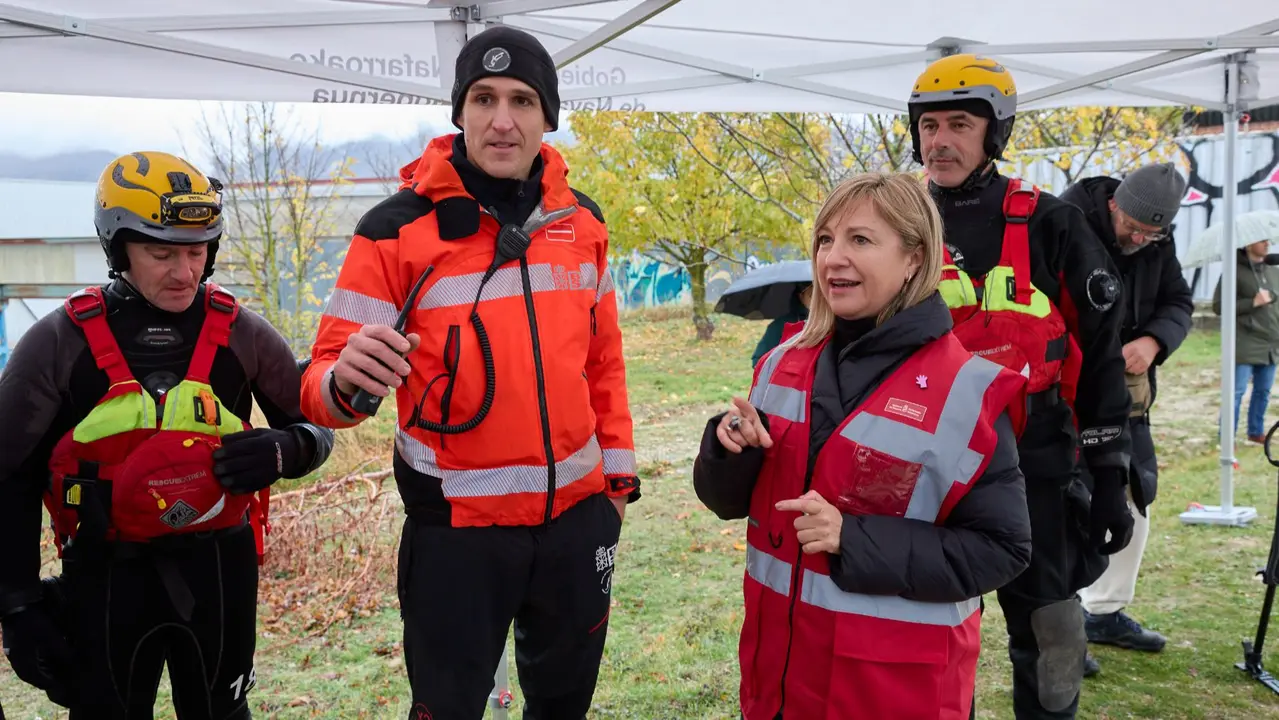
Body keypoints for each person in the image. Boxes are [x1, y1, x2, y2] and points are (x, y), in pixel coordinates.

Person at [299, 26, 640, 720]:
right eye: (483, 99)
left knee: (563, 706)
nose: (502, 120)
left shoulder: (582, 224)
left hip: (576, 526)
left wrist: (616, 488)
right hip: (456, 534)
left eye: (522, 100)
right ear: (459, 112)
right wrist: (338, 383)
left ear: (549, 117)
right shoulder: (392, 230)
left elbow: (604, 365)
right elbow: (322, 384)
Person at [0, 151, 335, 718]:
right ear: (118, 246)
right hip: (104, 574)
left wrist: (287, 449)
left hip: (219, 573)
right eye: (162, 253)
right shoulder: (58, 345)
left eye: (197, 251)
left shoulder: (245, 334)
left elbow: (317, 425)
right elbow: (9, 476)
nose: (185, 272)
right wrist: (17, 606)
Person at [694, 172, 1033, 720]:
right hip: (778, 682)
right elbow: (729, 502)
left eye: (860, 240)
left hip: (892, 693)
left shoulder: (964, 392)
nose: (833, 258)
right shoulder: (780, 363)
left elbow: (1003, 549)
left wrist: (853, 538)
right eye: (825, 240)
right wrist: (729, 449)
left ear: (914, 259)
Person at [907, 54, 1137, 719]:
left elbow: (1097, 358)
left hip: (1031, 467)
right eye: (927, 125)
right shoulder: (895, 219)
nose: (938, 140)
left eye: (958, 123)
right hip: (922, 465)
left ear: (993, 133)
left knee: (1050, 627)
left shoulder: (1050, 224)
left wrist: (1109, 474)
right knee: (925, 628)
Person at [1062, 163, 1193, 666]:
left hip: (1130, 397)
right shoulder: (1064, 221)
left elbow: (1178, 300)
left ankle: (1106, 611)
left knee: (1135, 495)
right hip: (1069, 392)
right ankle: (1065, 617)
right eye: (1133, 227)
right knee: (1070, 502)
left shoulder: (1159, 242)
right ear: (1115, 202)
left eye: (1151, 232)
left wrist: (1154, 339)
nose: (1139, 238)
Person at [1214, 239, 1279, 445]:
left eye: (1268, 240)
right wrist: (1252, 303)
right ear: (1248, 244)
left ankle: (1256, 431)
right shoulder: (1233, 272)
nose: (1267, 244)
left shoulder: (1273, 271)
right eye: (1262, 241)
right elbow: (1219, 306)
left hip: (1271, 343)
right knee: (1236, 392)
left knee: (1264, 390)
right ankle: (1226, 436)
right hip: (1245, 343)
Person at [750, 283, 812, 368]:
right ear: (801, 297)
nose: (818, 300)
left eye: (821, 295)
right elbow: (759, 361)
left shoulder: (834, 322)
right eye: (812, 295)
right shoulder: (782, 325)